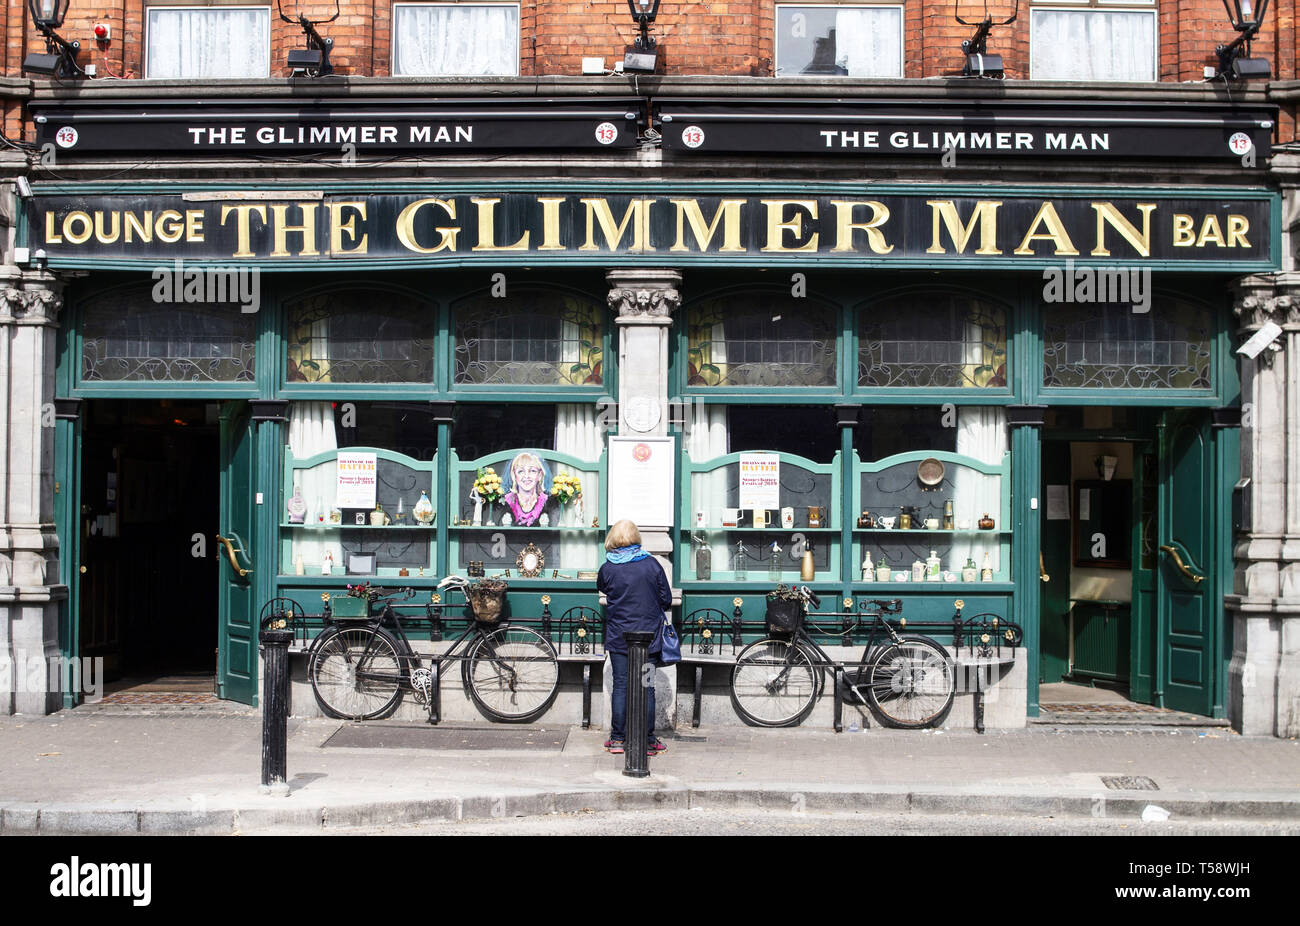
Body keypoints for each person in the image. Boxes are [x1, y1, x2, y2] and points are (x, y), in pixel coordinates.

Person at [597, 519, 672, 756]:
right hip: (648, 640)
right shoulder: (652, 564)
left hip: (619, 638)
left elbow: (603, 589)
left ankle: (618, 739)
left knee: (620, 686)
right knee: (647, 686)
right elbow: (666, 599)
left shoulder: (608, 568)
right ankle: (648, 739)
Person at [501, 451, 559, 527]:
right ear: (514, 475)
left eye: (532, 471)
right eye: (521, 471)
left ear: (540, 475)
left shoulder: (548, 503)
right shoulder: (505, 502)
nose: (526, 476)